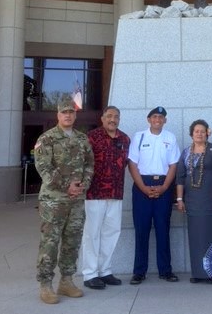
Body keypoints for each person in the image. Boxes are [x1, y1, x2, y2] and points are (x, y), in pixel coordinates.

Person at [34, 99, 94, 304]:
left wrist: (83, 184)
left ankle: (66, 281)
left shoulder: (82, 138)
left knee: (72, 241)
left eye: (71, 112)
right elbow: (43, 168)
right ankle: (45, 284)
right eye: (64, 112)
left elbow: (89, 164)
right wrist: (66, 186)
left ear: (75, 115)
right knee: (50, 241)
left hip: (77, 200)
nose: (68, 115)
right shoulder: (47, 138)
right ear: (58, 115)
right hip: (54, 200)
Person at [128, 106, 181, 284]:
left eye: (161, 117)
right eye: (155, 116)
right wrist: (143, 187)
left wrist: (165, 187)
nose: (158, 119)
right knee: (141, 230)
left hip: (163, 187)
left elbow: (174, 165)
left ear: (165, 120)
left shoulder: (170, 137)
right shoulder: (139, 136)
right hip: (142, 186)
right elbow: (132, 164)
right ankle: (139, 272)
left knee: (163, 230)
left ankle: (165, 270)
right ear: (149, 119)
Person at [82, 106, 130, 290]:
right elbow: (82, 162)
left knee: (111, 233)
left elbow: (127, 164)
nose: (113, 119)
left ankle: (105, 271)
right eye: (109, 116)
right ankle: (90, 273)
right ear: (102, 118)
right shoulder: (91, 137)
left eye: (116, 117)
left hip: (115, 194)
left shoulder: (125, 139)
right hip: (94, 193)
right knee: (92, 234)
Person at [176, 120, 212, 283]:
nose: (199, 134)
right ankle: (198, 273)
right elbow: (180, 177)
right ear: (191, 134)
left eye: (202, 131)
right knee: (196, 237)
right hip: (193, 202)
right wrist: (180, 199)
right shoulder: (185, 153)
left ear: (208, 132)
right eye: (196, 131)